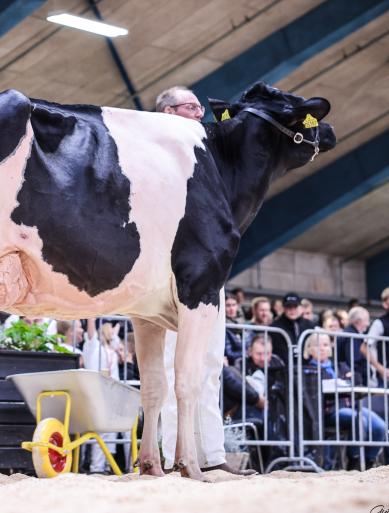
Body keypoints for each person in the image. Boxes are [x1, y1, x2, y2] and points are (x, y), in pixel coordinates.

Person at [157, 87, 252, 475]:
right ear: (167, 112)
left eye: (200, 108)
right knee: (169, 366)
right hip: (165, 273)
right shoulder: (154, 152)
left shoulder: (208, 156)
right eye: (191, 107)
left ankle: (212, 455)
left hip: (208, 269)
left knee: (212, 361)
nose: (200, 114)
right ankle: (171, 455)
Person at [302, 332, 386, 470]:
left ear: (330, 348)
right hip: (327, 411)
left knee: (380, 426)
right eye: (317, 345)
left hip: (350, 406)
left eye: (325, 345)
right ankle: (354, 461)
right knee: (358, 419)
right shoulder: (308, 370)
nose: (322, 348)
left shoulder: (340, 366)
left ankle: (369, 462)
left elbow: (357, 380)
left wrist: (352, 378)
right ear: (309, 349)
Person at [83, 319, 120, 473]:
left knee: (111, 431)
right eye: (110, 328)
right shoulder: (94, 346)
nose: (113, 331)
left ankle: (106, 465)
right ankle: (96, 467)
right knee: (100, 431)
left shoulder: (111, 349)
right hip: (96, 391)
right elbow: (91, 335)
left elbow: (117, 341)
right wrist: (91, 319)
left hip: (111, 393)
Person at [269, 292, 316, 364]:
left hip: (305, 366)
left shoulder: (309, 325)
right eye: (289, 307)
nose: (292, 310)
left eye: (295, 306)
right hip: (283, 368)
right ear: (284, 308)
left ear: (300, 308)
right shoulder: (275, 326)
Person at [335, 306, 371, 386]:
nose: (368, 324)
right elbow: (354, 360)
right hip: (353, 379)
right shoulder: (352, 337)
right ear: (358, 321)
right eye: (366, 320)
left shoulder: (349, 334)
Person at [224, 295, 245, 365]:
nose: (231, 308)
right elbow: (228, 353)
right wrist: (247, 353)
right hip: (231, 364)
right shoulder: (222, 326)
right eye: (228, 305)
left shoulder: (244, 323)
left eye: (234, 305)